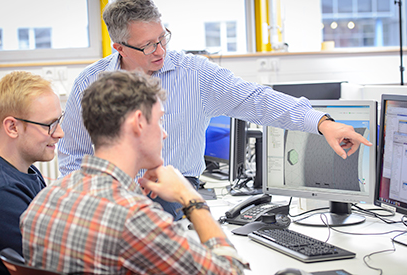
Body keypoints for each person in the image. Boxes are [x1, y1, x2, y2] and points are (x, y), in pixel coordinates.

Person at [58, 0, 372, 220]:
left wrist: (321, 122)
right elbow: (72, 154)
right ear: (119, 48)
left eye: (162, 38)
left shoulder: (194, 73)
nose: (161, 51)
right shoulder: (90, 83)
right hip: (109, 191)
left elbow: (257, 99)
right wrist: (96, 197)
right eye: (149, 45)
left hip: (174, 191)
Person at [20, 71, 249, 274]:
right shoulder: (133, 218)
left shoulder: (47, 198)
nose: (164, 134)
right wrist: (191, 198)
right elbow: (230, 271)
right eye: (159, 121)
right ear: (138, 123)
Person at [0, 71, 64, 275]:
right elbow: (52, 266)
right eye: (49, 125)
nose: (60, 133)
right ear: (12, 127)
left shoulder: (19, 171)